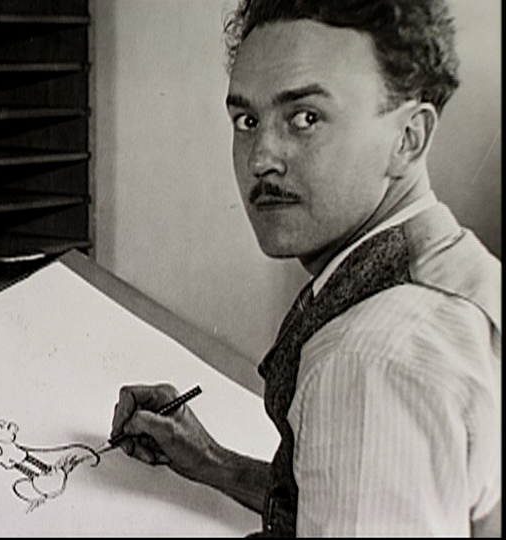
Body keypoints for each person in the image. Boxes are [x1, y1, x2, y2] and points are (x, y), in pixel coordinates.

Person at [108, 0, 501, 536]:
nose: (260, 158)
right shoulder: (453, 263)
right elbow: (347, 493)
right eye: (247, 121)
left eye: (305, 118)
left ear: (408, 138)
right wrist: (213, 462)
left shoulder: (366, 363)